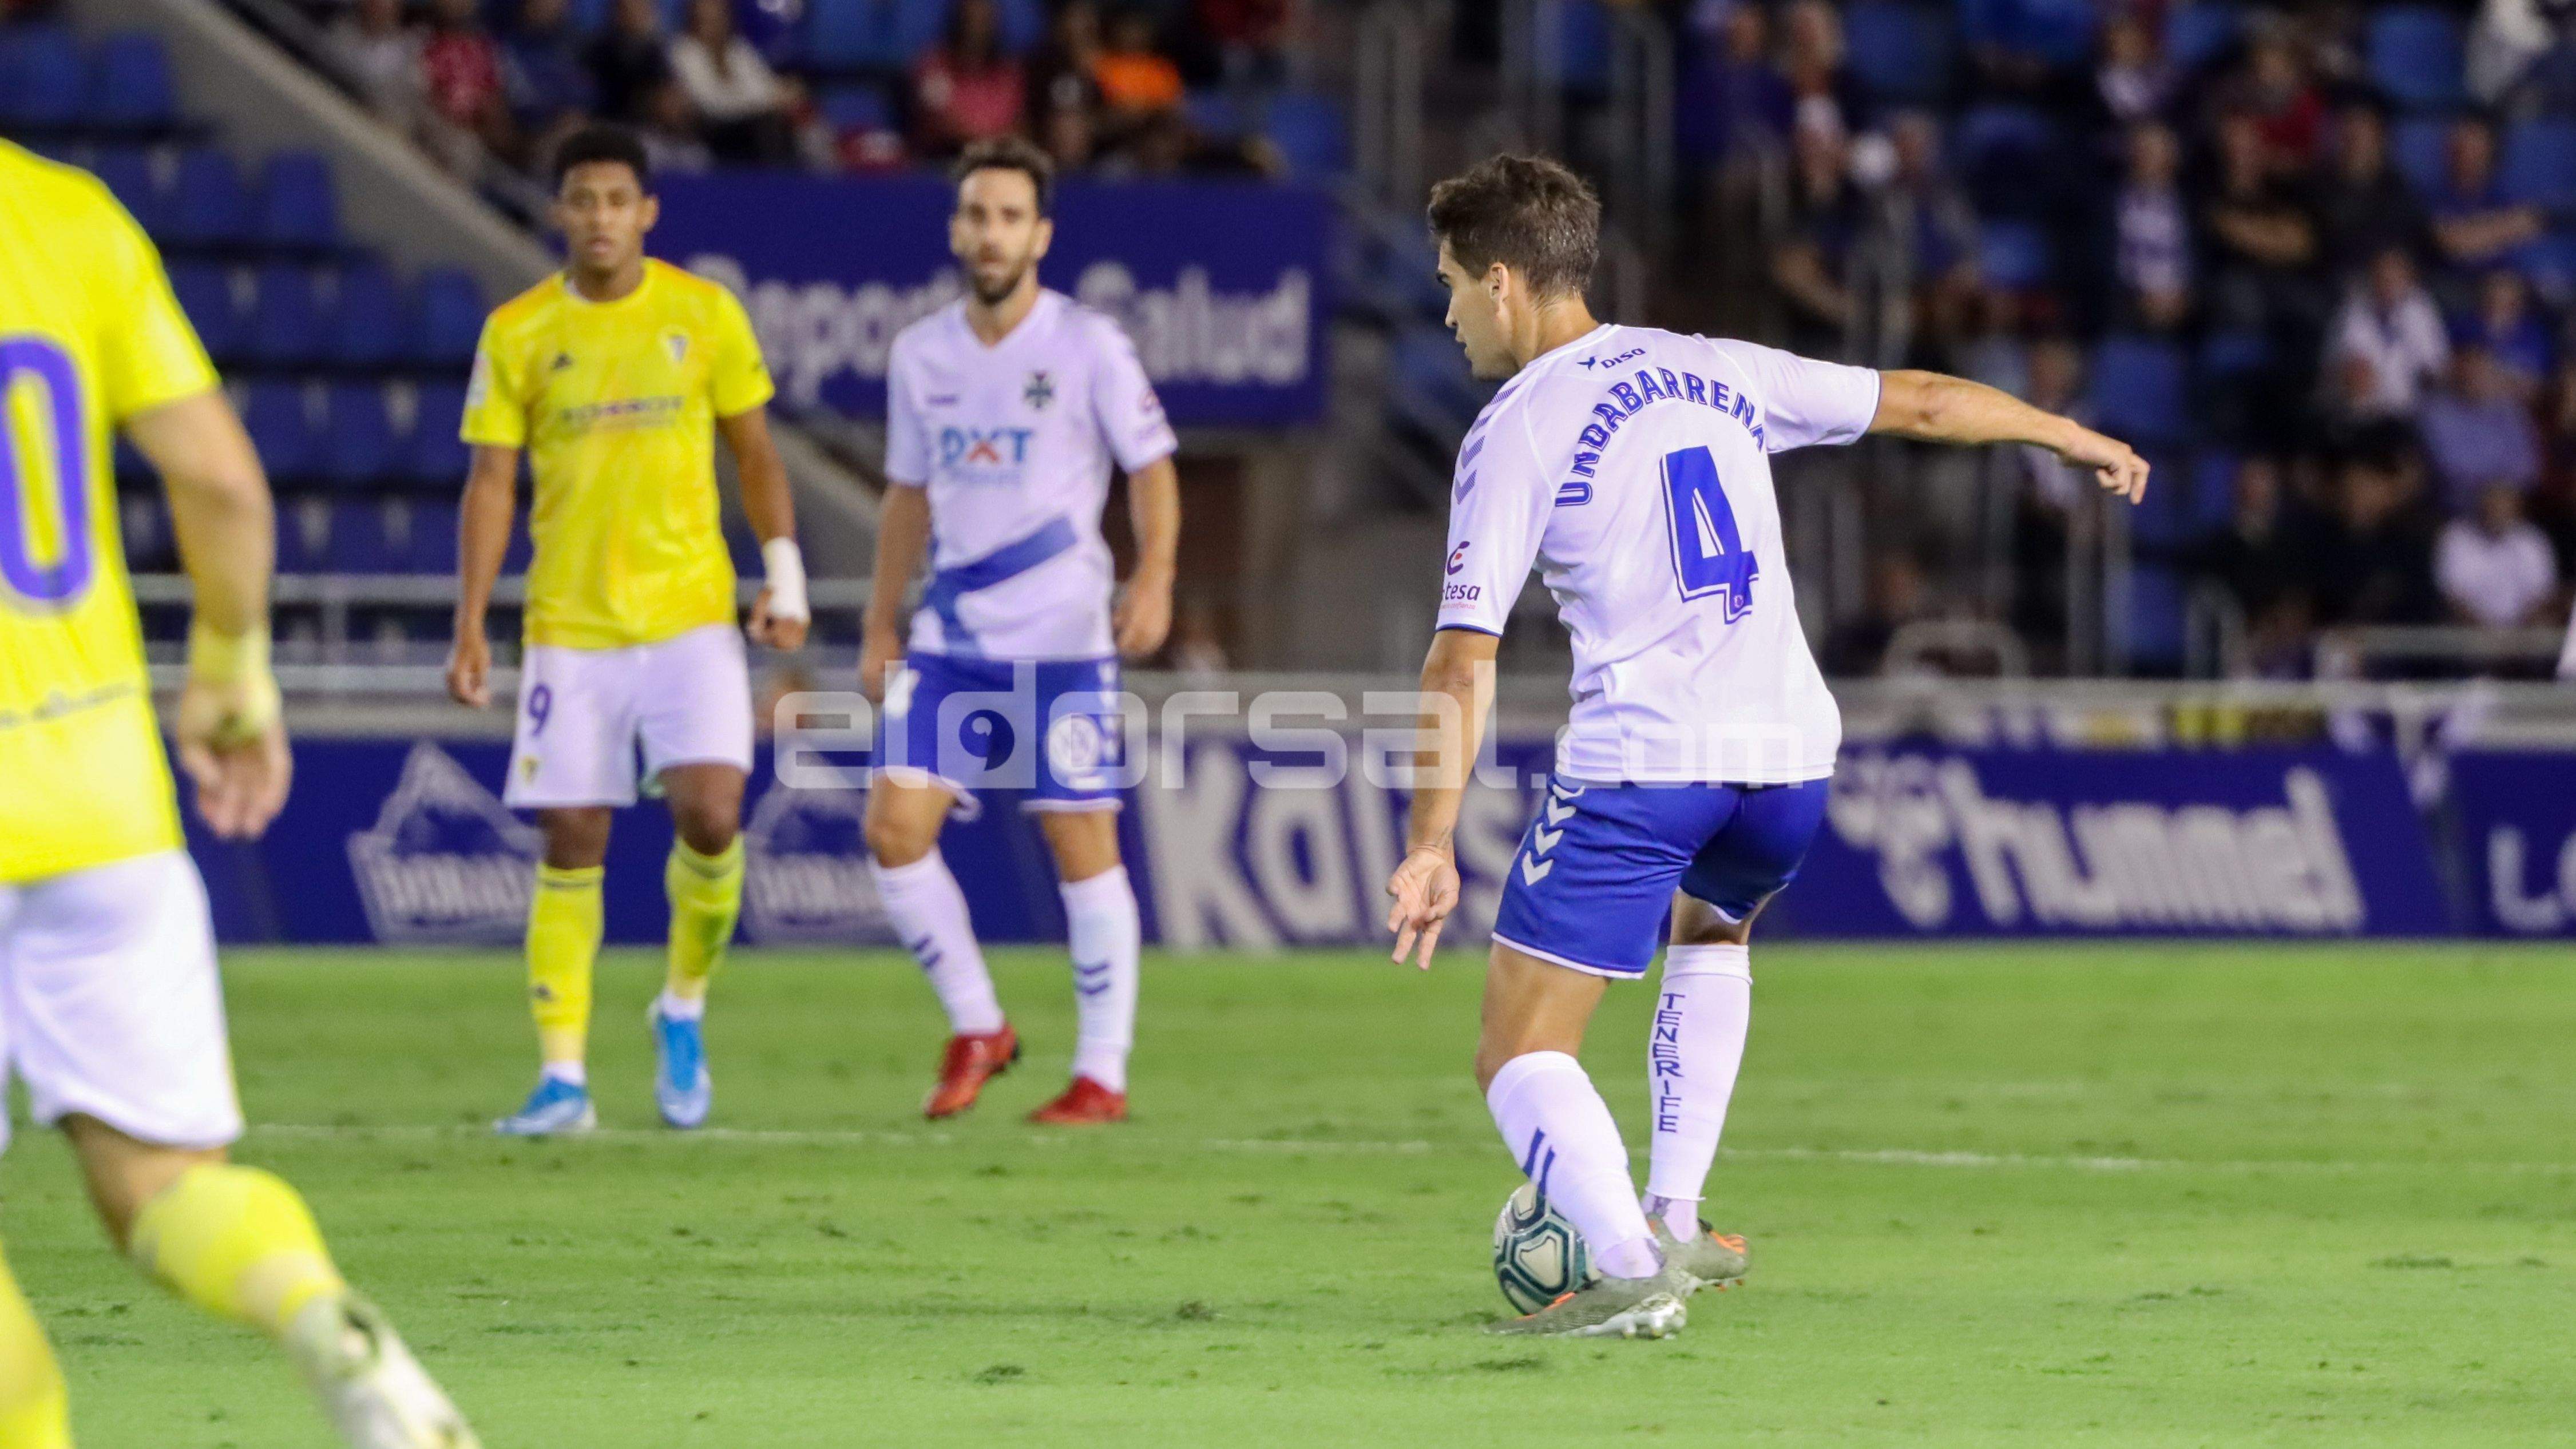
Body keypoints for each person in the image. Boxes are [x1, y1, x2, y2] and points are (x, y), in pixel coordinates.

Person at [1382, 154, 2146, 1337]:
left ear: (1502, 280)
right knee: (1714, 921)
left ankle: (1631, 1267)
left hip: (1650, 759)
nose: (1446, 315)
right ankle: (1676, 1209)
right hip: (1787, 758)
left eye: (1448, 285)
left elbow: (1462, 655)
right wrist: (2062, 432)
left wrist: (1431, 838)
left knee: (1515, 1053)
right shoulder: (1715, 365)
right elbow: (1925, 403)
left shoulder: (1518, 425)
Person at [0, 138, 477, 1447]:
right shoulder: (66, 215)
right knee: (161, 1181)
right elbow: (218, 479)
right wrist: (229, 674)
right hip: (105, 805)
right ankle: (320, 1314)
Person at [445, 126, 807, 1137]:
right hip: (569, 623)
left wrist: (782, 575)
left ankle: (679, 1006)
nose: (599, 216)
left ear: (647, 211)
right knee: (573, 833)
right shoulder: (516, 332)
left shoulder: (703, 314)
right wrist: (472, 621)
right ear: (558, 211)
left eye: (617, 198)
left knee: (713, 814)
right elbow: (490, 484)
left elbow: (757, 455)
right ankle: (563, 1079)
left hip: (691, 616)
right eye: (581, 198)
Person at [861, 137, 1180, 1126]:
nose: (989, 232)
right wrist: (881, 620)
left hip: (1062, 636)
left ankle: (1102, 1075)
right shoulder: (920, 354)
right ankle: (979, 1025)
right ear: (956, 229)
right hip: (953, 640)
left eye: (1008, 216)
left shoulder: (1087, 343)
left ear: (1038, 234)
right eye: (974, 215)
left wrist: (1155, 575)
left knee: (1081, 841)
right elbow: (907, 496)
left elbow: (1153, 466)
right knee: (892, 830)